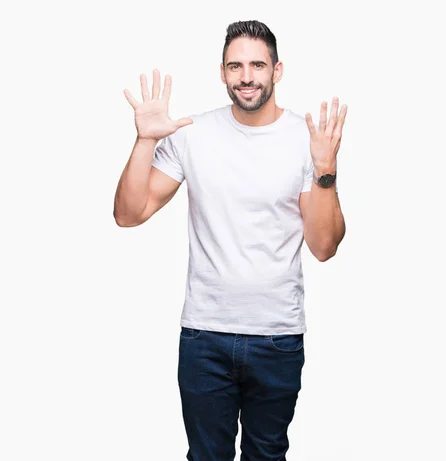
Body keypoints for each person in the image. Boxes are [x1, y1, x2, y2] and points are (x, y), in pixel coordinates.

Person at [113, 19, 347, 461]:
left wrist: (324, 172)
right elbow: (129, 214)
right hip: (205, 336)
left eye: (258, 65)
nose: (246, 76)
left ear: (277, 71)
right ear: (222, 72)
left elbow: (323, 246)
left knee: (266, 455)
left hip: (276, 337)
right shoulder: (191, 134)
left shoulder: (306, 140)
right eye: (235, 66)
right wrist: (145, 140)